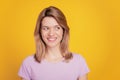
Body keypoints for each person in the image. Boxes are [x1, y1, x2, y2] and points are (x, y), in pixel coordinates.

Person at [18, 6, 90, 80]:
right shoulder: (28, 64)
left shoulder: (79, 62)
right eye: (46, 28)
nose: (51, 33)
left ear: (64, 30)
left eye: (57, 28)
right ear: (39, 31)